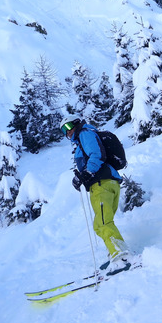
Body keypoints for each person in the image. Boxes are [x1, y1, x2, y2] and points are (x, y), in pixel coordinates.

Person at [61, 115, 132, 272]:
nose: (67, 132)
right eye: (63, 131)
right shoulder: (82, 139)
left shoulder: (85, 133)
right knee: (99, 224)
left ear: (76, 123)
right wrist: (80, 177)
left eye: (67, 127)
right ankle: (115, 252)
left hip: (102, 183)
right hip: (105, 183)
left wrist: (87, 173)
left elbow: (97, 154)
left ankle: (122, 256)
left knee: (104, 221)